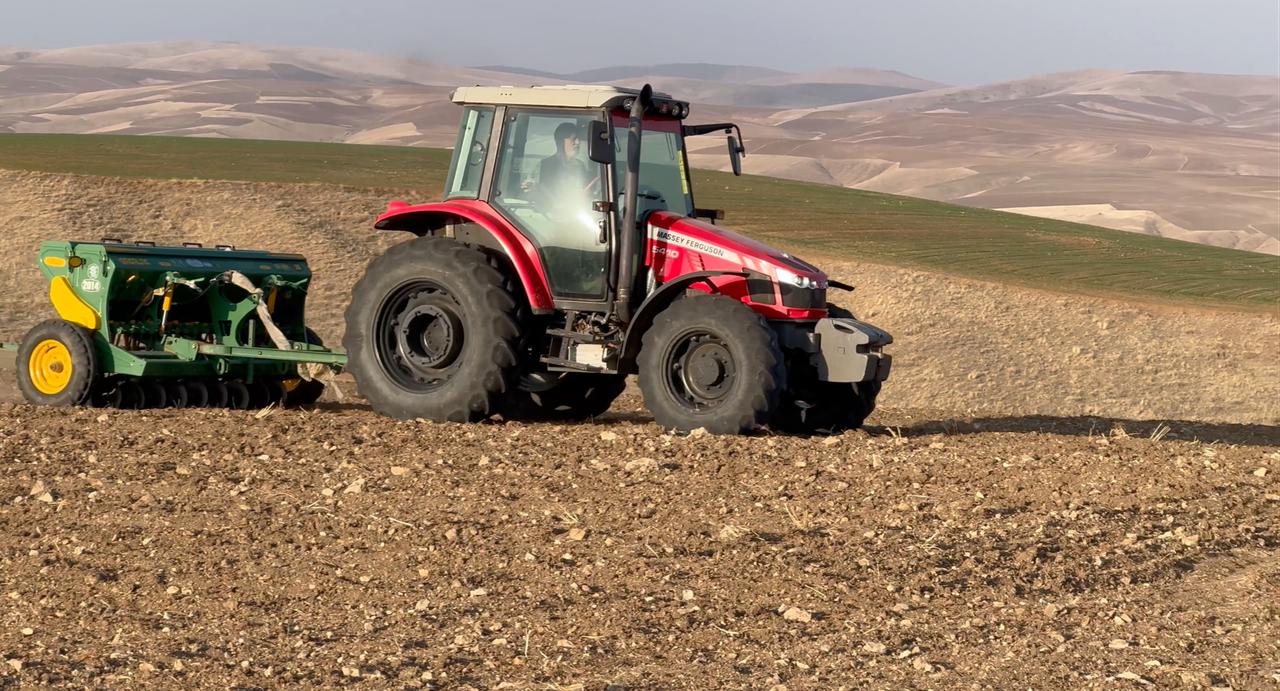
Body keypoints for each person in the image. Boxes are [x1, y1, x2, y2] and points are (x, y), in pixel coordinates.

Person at [532, 122, 590, 212]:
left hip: (577, 215)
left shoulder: (580, 166)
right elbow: (535, 191)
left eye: (579, 139)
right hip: (548, 216)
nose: (578, 143)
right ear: (560, 142)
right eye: (573, 139)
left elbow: (585, 191)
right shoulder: (544, 165)